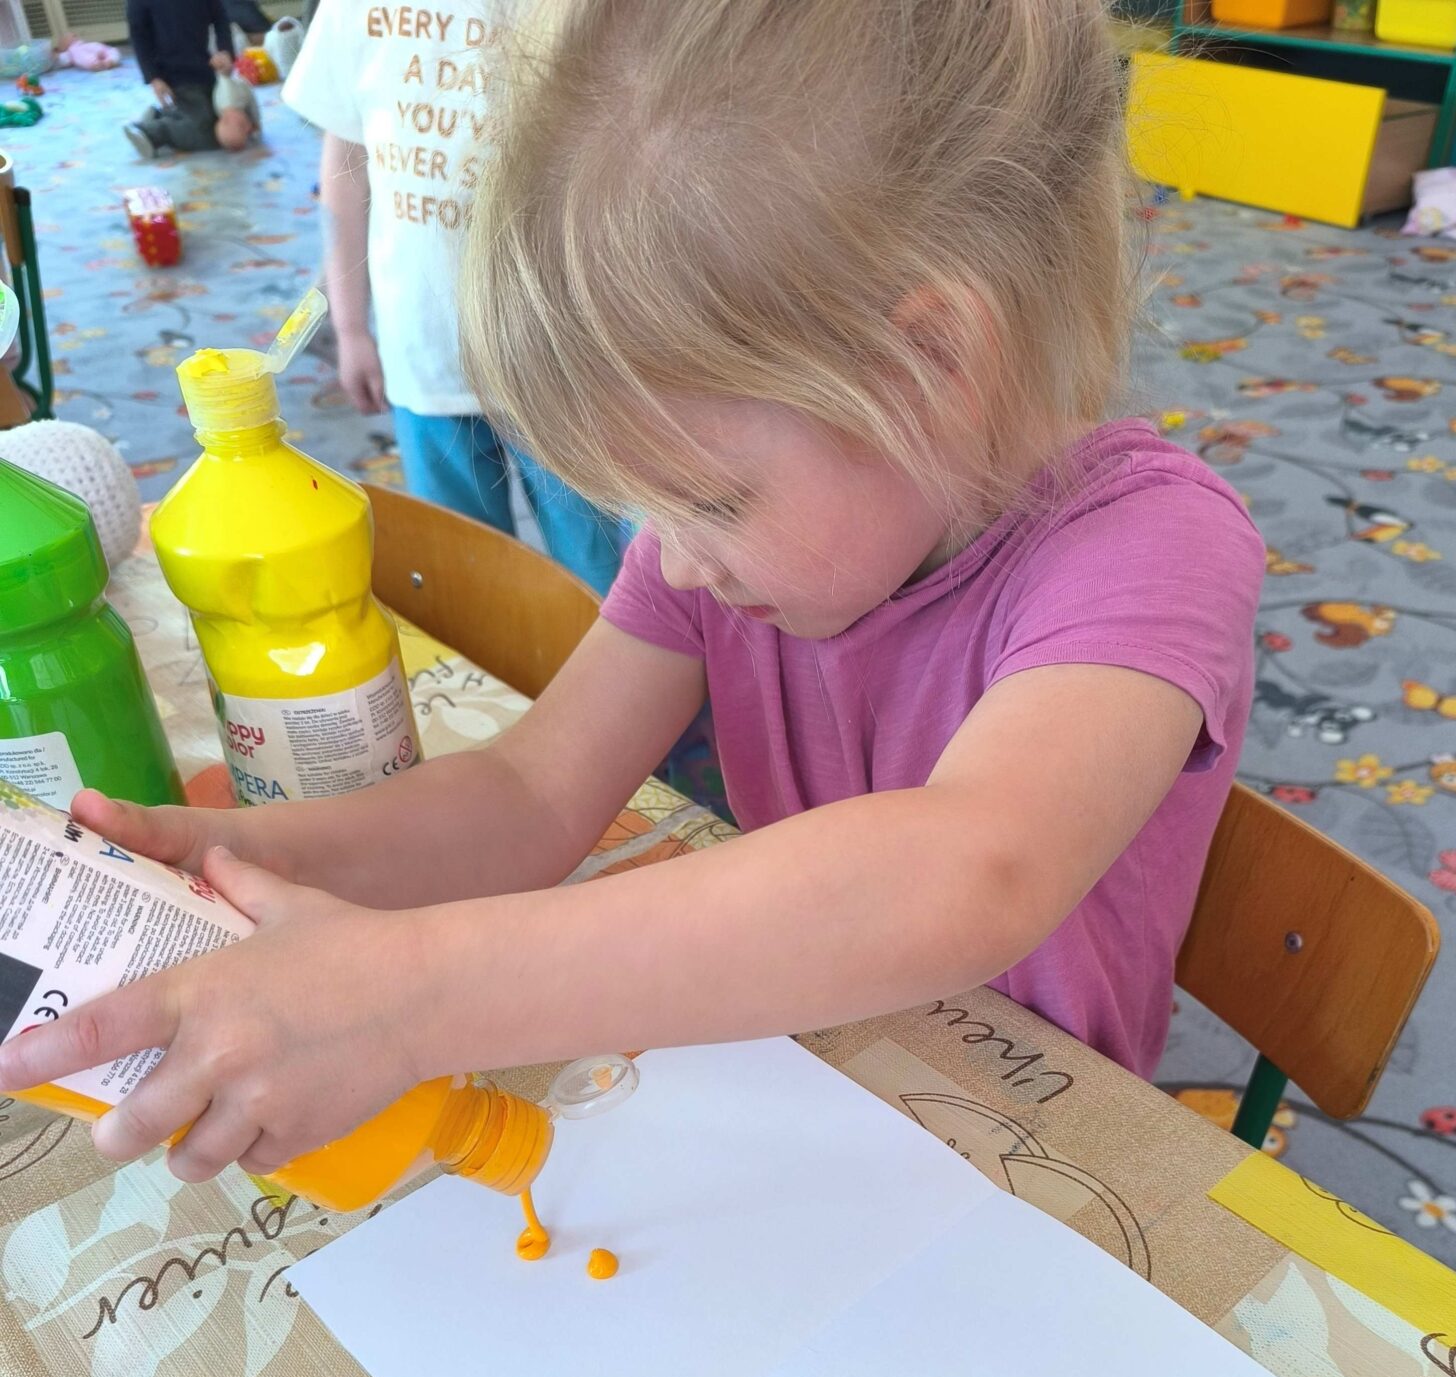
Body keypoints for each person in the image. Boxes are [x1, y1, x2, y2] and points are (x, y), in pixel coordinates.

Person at [0, 0, 1265, 1190]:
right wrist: (253, 857)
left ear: (928, 364)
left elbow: (966, 867)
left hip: (1033, 1155)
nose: (673, 553)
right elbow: (529, 791)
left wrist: (407, 992)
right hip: (798, 1080)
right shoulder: (722, 552)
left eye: (709, 498)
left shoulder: (1148, 547)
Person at [279, 0, 626, 591]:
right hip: (423, 345)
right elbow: (345, 167)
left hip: (554, 349)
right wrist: (350, 327)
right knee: (462, 572)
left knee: (596, 568)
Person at [124, 0, 254, 157]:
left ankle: (165, 116)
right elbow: (139, 36)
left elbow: (220, 18)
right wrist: (154, 77)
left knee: (227, 122)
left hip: (207, 71)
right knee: (210, 134)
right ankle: (151, 131)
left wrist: (225, 51)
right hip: (174, 76)